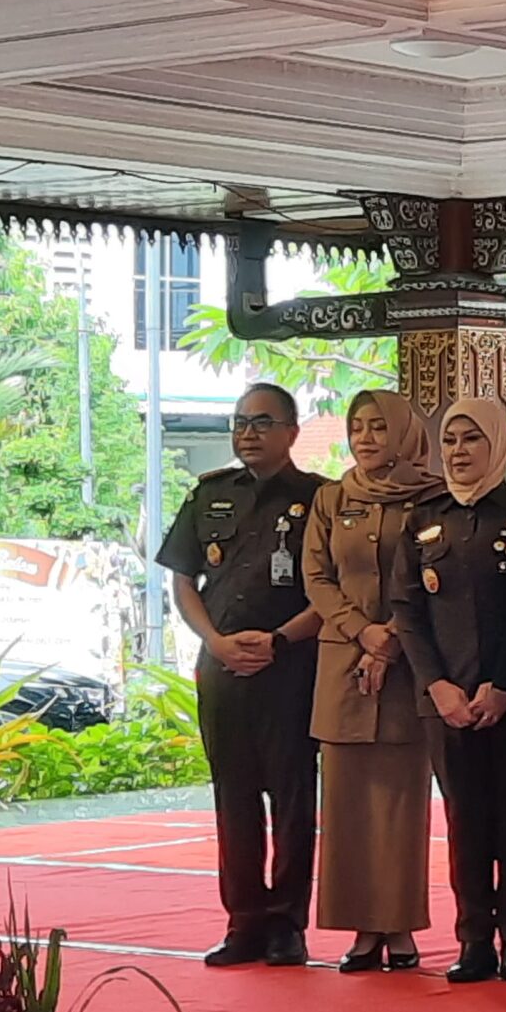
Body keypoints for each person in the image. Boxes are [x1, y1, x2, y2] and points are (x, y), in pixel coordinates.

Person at [156, 383, 327, 969]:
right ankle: (243, 923)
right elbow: (183, 580)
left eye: (262, 421)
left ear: (291, 431)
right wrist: (216, 642)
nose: (248, 433)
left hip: (292, 665)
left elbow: (334, 589)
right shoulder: (210, 495)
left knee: (293, 799)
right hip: (223, 667)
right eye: (239, 422)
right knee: (234, 799)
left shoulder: (319, 499)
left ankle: (286, 926)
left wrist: (280, 639)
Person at [389, 398, 506, 985]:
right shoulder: (423, 518)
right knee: (464, 819)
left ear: (498, 445)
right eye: (451, 441)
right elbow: (407, 610)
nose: (458, 452)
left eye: (471, 441)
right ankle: (473, 939)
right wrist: (437, 685)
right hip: (446, 701)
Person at [303, 391, 440, 974]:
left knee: (402, 807)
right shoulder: (332, 498)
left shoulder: (432, 498)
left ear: (404, 433)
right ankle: (362, 930)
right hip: (343, 668)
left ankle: (401, 927)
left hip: (412, 665)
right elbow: (316, 575)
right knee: (348, 807)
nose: (364, 436)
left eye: (379, 426)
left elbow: (436, 577)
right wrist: (362, 632)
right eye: (357, 426)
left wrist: (392, 636)